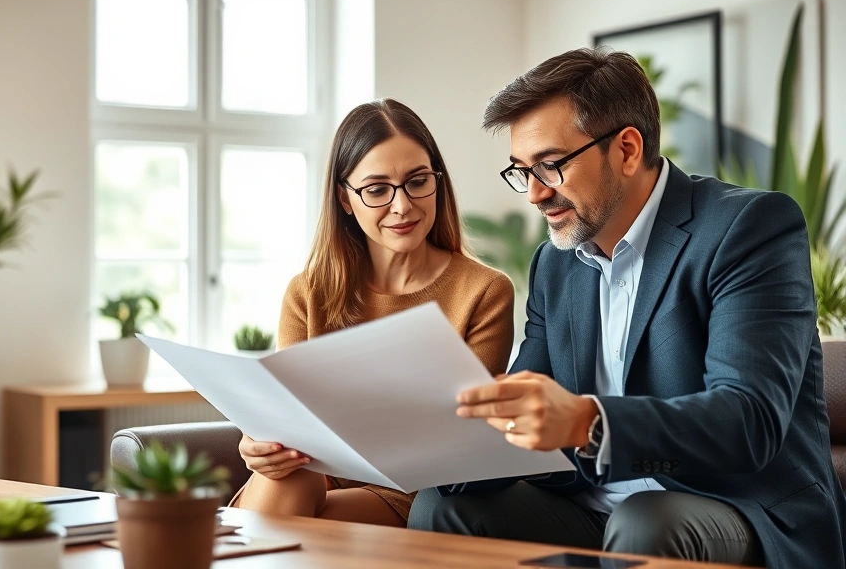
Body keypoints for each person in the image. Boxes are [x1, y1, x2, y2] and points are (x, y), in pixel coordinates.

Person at [407, 47, 846, 568]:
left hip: (735, 507)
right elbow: (525, 402)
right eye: (521, 171)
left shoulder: (748, 229)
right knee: (442, 508)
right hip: (593, 505)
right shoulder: (556, 262)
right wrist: (422, 443)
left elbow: (747, 421)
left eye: (549, 166)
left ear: (628, 149)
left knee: (644, 520)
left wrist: (589, 422)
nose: (533, 194)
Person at [230, 98, 515, 527]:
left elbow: (460, 438)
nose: (402, 206)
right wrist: (255, 441)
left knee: (292, 507)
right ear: (345, 199)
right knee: (289, 478)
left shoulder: (484, 291)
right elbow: (284, 417)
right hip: (310, 475)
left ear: (437, 182)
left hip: (405, 490)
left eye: (418, 181)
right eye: (378, 189)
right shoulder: (308, 292)